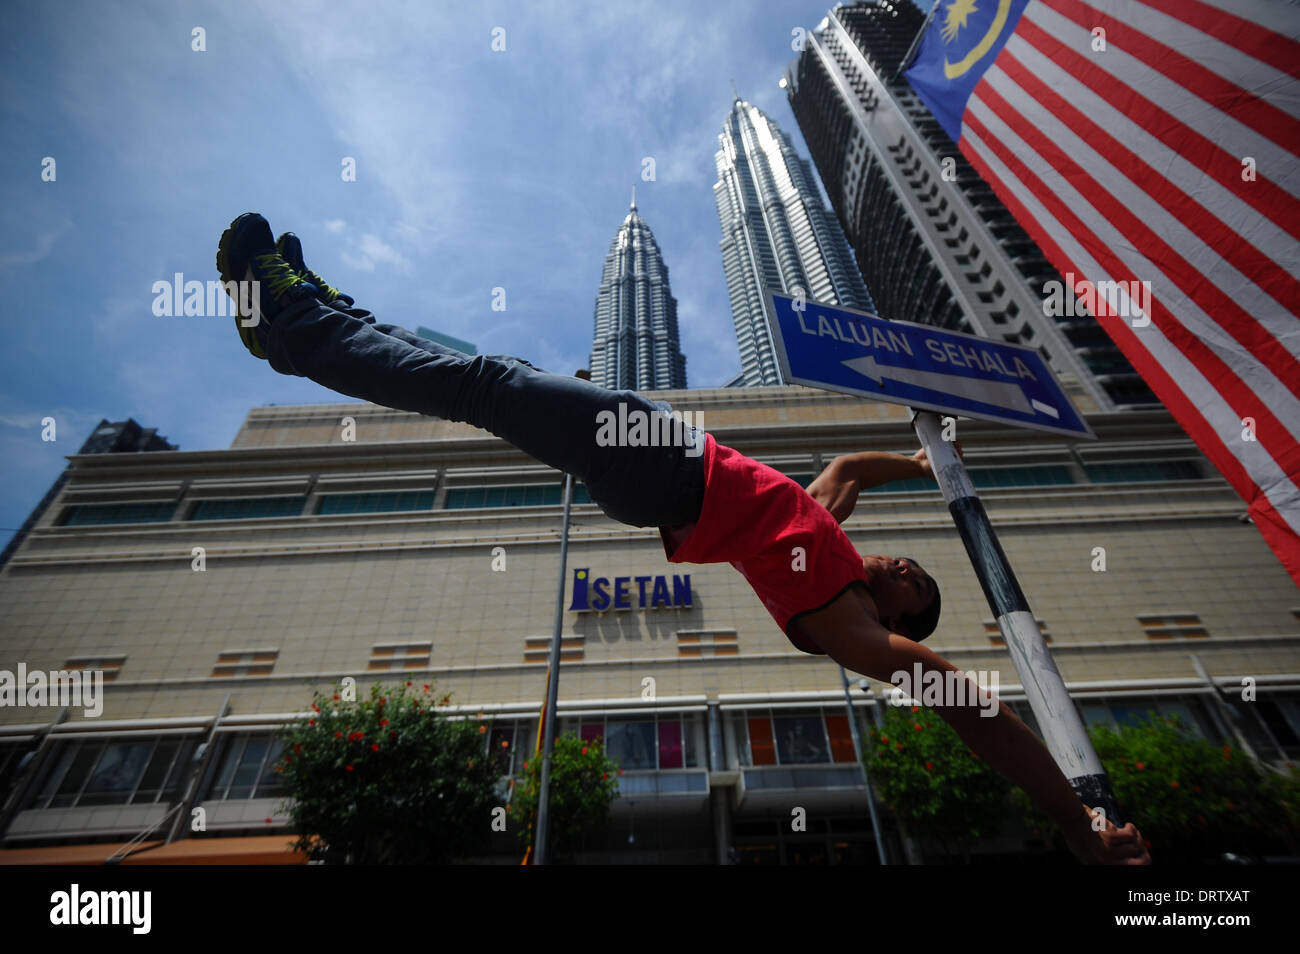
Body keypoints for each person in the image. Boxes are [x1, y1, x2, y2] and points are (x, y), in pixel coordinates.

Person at [217, 212, 1151, 864]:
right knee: (481, 377)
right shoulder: (822, 529)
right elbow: (853, 469)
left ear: (903, 611)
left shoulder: (844, 621)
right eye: (911, 562)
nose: (907, 568)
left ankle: (290, 322)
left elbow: (968, 707)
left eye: (916, 585)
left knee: (486, 386)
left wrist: (1075, 826)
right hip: (664, 453)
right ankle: (319, 311)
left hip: (666, 471)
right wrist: (933, 460)